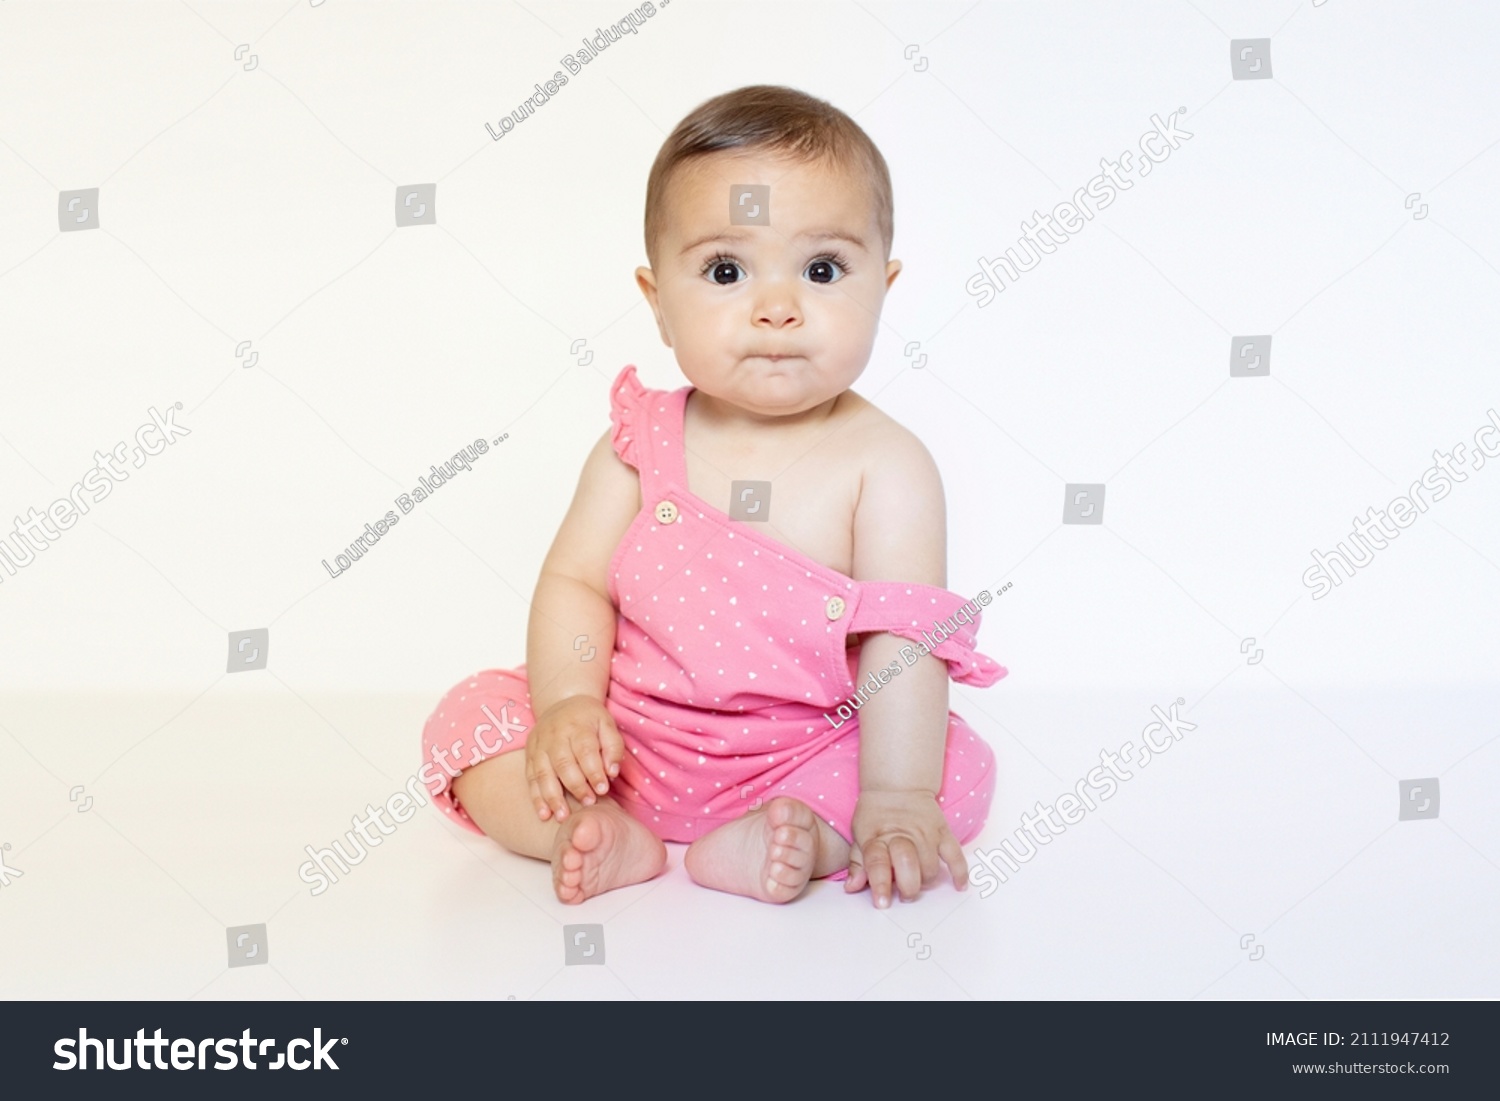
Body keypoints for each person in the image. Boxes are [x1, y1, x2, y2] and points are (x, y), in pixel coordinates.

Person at [420, 84, 1007, 908]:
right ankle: (583, 828)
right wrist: (565, 707)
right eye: (726, 270)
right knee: (469, 718)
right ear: (658, 302)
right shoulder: (637, 443)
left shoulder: (888, 466)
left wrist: (898, 795)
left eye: (823, 269)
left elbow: (904, 644)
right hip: (625, 745)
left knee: (957, 770)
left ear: (884, 285)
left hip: (800, 754)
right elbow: (576, 585)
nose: (777, 308)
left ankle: (792, 837)